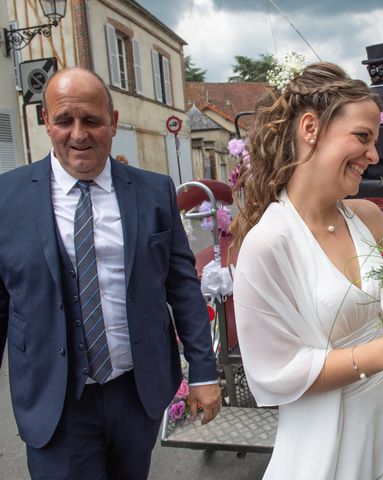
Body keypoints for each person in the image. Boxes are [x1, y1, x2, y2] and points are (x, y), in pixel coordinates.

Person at [0, 68, 221, 479]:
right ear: (46, 122)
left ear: (113, 122)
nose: (78, 134)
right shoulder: (6, 199)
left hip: (135, 394)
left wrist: (204, 373)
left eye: (92, 120)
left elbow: (183, 289)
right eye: (64, 120)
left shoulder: (154, 193)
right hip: (55, 401)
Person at [231, 62, 383, 479]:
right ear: (310, 128)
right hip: (327, 443)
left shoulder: (370, 219)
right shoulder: (269, 242)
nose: (374, 156)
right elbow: (273, 374)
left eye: (375, 141)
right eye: (362, 137)